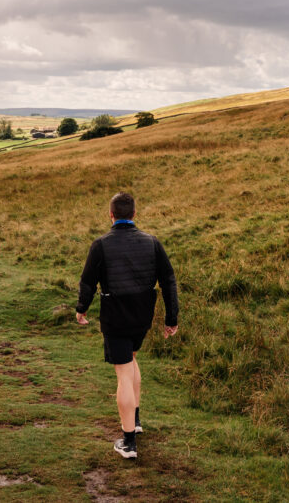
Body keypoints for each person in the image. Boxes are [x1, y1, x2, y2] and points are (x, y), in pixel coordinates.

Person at [75, 192, 179, 460]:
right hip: (142, 315)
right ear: (134, 214)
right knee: (131, 361)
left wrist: (82, 308)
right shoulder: (152, 242)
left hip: (116, 316)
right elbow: (168, 280)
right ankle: (136, 420)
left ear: (111, 215)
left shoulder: (101, 245)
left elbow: (88, 281)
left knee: (123, 373)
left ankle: (128, 441)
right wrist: (171, 318)